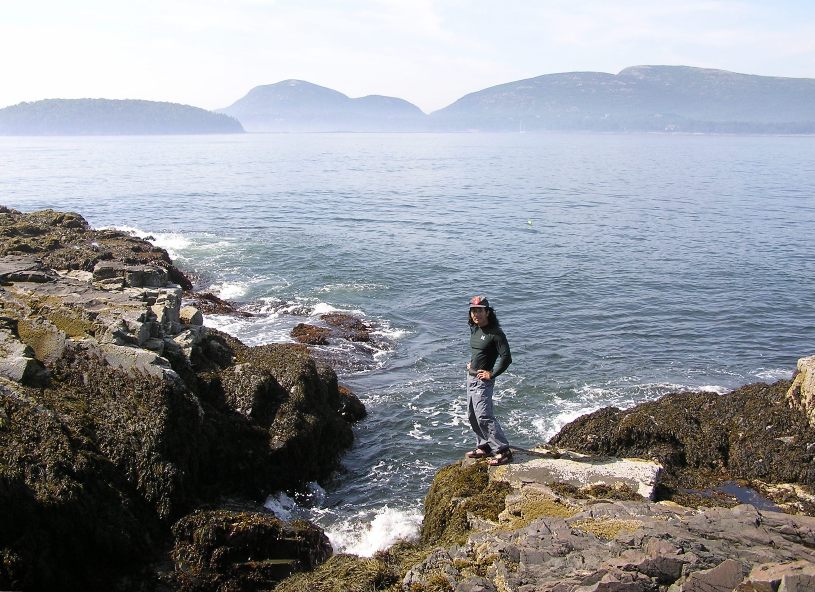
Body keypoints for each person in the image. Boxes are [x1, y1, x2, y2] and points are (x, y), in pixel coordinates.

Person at [465, 295, 513, 466]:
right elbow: (479, 351)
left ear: (488, 312)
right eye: (473, 311)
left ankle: (502, 450)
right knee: (472, 415)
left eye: (479, 311)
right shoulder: (475, 329)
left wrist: (491, 374)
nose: (475, 314)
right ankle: (484, 446)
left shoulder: (496, 333)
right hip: (470, 377)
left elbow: (506, 358)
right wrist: (472, 363)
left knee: (484, 415)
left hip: (482, 381)